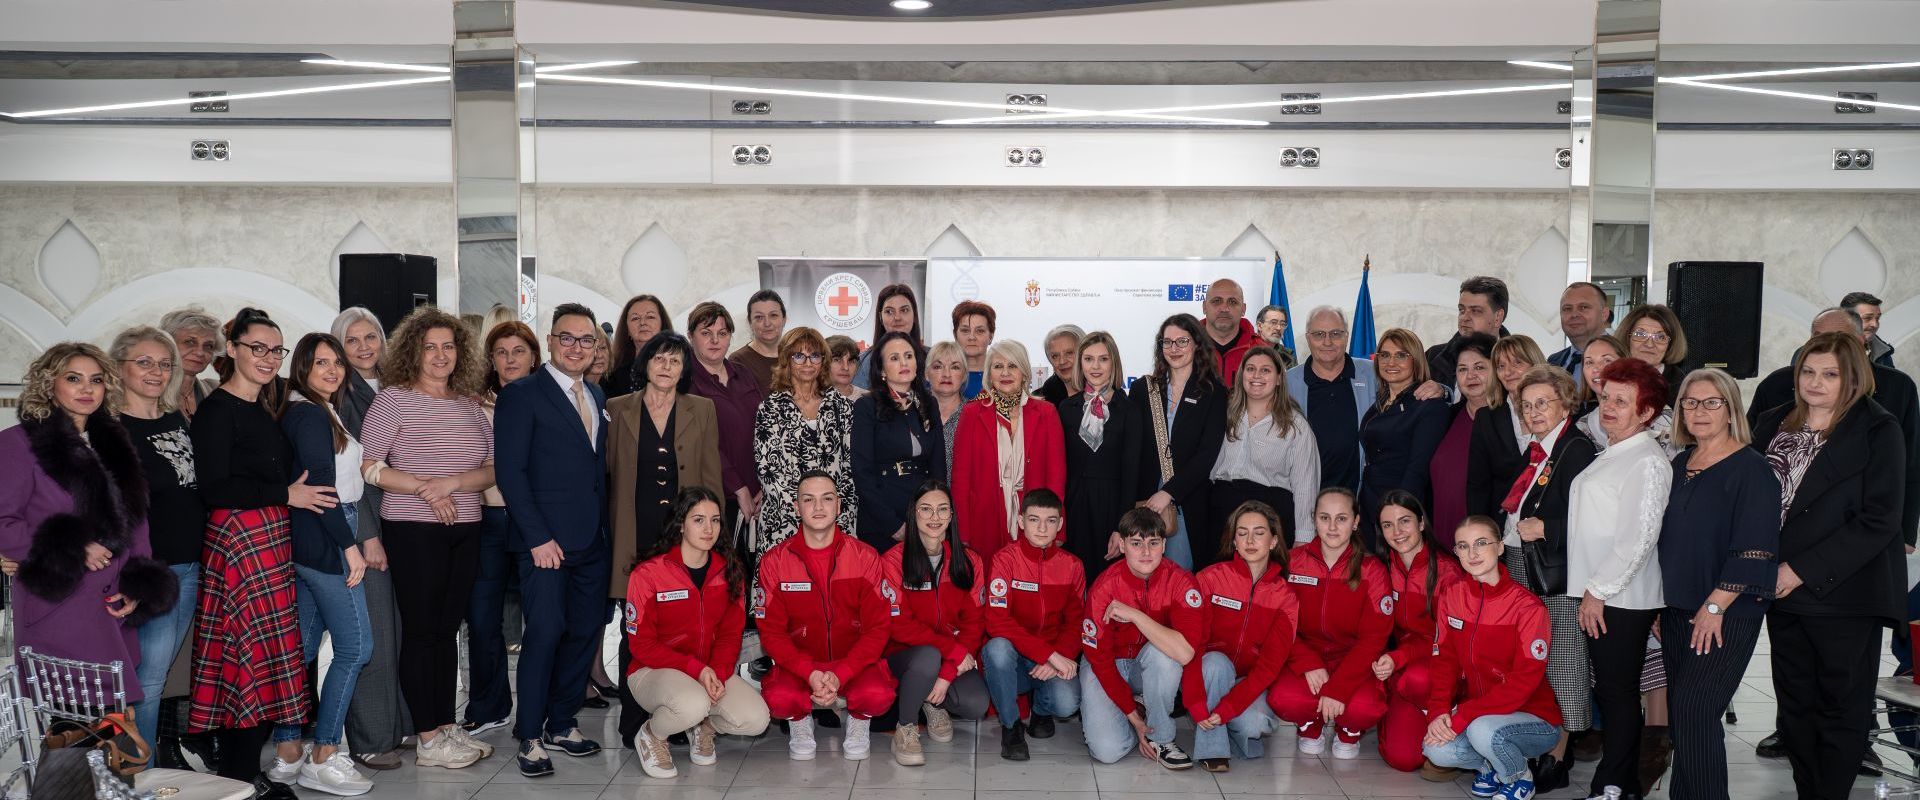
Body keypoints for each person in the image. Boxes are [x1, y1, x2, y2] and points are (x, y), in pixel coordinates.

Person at [1754, 331, 1906, 800]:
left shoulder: (1878, 429)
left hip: (1844, 593)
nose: (1815, 382)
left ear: (1853, 379)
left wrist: (1799, 570)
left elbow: (1880, 519)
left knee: (1840, 707)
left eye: (1830, 374)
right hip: (1779, 592)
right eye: (1808, 371)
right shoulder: (1774, 421)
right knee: (1796, 707)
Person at [1, 341, 179, 740]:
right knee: (75, 726)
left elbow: (136, 522)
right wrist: (73, 546)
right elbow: (3, 522)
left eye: (96, 380)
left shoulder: (112, 442)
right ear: (49, 385)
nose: (87, 388)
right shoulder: (18, 443)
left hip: (110, 609)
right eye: (73, 378)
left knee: (105, 730)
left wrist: (138, 586)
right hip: (59, 606)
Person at [358, 305, 498, 770]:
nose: (440, 355)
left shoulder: (471, 405)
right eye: (429, 347)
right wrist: (425, 488)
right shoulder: (393, 400)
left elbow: (491, 470)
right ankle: (427, 737)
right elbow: (370, 466)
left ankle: (445, 724)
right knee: (421, 633)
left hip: (466, 526)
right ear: (412, 352)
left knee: (446, 631)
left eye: (448, 346)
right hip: (412, 529)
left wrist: (450, 484)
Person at [186, 308, 320, 781]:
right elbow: (215, 488)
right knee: (243, 662)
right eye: (257, 348)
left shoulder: (264, 406)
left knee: (263, 664)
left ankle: (246, 777)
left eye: (276, 350)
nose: (268, 358)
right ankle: (239, 779)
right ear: (233, 349)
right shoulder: (217, 411)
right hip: (239, 544)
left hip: (269, 540)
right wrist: (285, 494)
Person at [492, 304, 612, 776]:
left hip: (591, 541)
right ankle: (530, 735)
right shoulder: (522, 395)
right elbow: (511, 473)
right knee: (544, 634)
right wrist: (537, 537)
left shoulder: (596, 394)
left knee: (584, 632)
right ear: (551, 340)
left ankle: (562, 723)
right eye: (567, 337)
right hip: (544, 545)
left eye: (586, 340)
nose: (576, 347)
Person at [1658, 368, 1780, 800]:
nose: (1700, 410)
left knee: (1694, 711)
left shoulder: (1752, 470)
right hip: (1676, 609)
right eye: (1690, 402)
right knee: (1686, 720)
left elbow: (1755, 548)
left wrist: (1714, 607)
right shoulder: (1679, 464)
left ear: (1731, 410)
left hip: (1726, 613)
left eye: (1712, 402)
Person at [263, 332, 375, 797]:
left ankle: (288, 750)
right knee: (356, 647)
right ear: (303, 368)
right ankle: (324, 753)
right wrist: (349, 546)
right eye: (321, 363)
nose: (332, 370)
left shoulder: (313, 408)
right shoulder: (309, 413)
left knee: (304, 647)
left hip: (310, 538)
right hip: (327, 536)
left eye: (337, 363)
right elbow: (324, 491)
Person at [606, 331, 721, 745]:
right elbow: (607, 472)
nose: (666, 367)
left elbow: (710, 475)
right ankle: (633, 718)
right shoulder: (617, 408)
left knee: (682, 624)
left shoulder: (702, 409)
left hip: (683, 537)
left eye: (675, 360)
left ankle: (679, 715)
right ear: (646, 364)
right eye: (659, 358)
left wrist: (713, 533)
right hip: (634, 532)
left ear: (684, 368)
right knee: (634, 627)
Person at [1567, 357, 1672, 800]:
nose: (1608, 407)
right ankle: (1622, 784)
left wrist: (1597, 592)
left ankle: (1611, 784)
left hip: (1621, 597)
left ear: (1646, 411)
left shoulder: (1646, 461)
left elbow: (1638, 538)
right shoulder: (1618, 451)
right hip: (1605, 593)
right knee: (1612, 691)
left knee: (1617, 693)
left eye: (1622, 401)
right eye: (1606, 397)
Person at [623, 487, 769, 779]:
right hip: (652, 671)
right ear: (681, 524)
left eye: (715, 520)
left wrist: (717, 672)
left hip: (708, 669)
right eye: (698, 520)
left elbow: (730, 636)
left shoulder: (730, 572)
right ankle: (652, 734)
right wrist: (697, 670)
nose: (709, 529)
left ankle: (703, 728)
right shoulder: (649, 574)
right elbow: (642, 646)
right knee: (693, 703)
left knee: (756, 719)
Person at [1746, 308, 1919, 553]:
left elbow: (1910, 464)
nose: (1828, 344)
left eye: (1831, 374)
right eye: (1818, 336)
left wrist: (1907, 531)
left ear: (1861, 340)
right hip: (1770, 541)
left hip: (1845, 540)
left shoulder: (1896, 392)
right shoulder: (1776, 387)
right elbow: (1745, 451)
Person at [1499, 366, 1596, 791]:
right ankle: (1539, 739)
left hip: (1555, 570)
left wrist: (1548, 528)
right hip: (1524, 564)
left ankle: (1559, 753)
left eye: (1543, 403)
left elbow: (1593, 518)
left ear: (1566, 404)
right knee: (1532, 656)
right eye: (1527, 405)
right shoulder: (1539, 449)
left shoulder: (1575, 449)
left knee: (1563, 658)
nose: (1534, 411)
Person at [755, 471, 896, 761]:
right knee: (779, 699)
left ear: (839, 506)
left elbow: (878, 629)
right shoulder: (774, 562)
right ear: (797, 507)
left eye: (827, 499)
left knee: (878, 695)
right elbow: (772, 634)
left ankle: (859, 720)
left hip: (853, 663)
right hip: (801, 665)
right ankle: (799, 722)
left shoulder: (865, 557)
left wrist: (842, 673)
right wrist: (809, 672)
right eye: (809, 500)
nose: (818, 507)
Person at [108, 328, 205, 752]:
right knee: (145, 680)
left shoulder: (173, 420)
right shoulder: (111, 430)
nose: (157, 371)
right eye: (144, 362)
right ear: (119, 368)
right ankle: (136, 776)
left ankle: (137, 770)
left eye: (165, 364)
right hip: (151, 571)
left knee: (158, 677)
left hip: (191, 564)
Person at [1420, 516, 1563, 800]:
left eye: (1481, 543)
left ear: (1499, 547)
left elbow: (1524, 682)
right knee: (1435, 749)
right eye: (1463, 546)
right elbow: (1444, 661)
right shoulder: (1452, 596)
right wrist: (1438, 712)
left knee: (1481, 730)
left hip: (1535, 720)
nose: (1472, 553)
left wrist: (1465, 714)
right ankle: (1490, 768)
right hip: (1479, 715)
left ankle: (1519, 778)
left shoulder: (1528, 607)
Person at [328, 307, 410, 770]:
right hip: (368, 526)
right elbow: (346, 476)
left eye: (371, 337)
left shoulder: (397, 385)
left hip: (406, 519)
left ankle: (402, 724)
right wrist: (367, 536)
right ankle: (371, 738)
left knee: (402, 628)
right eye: (352, 340)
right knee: (375, 631)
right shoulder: (340, 396)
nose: (363, 347)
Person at [1269, 488, 1392, 761]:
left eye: (1342, 518)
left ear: (1356, 521)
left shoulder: (1372, 570)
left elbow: (1374, 638)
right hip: (1306, 655)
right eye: (1325, 518)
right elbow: (1278, 623)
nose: (1333, 527)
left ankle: (1349, 731)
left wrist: (1339, 688)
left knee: (1365, 707)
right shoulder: (1292, 561)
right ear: (1314, 519)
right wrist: (1306, 661)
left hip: (1354, 659)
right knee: (1284, 698)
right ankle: (1309, 725)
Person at [1079, 507, 1205, 769]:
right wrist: (1134, 720)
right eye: (1136, 543)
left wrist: (1136, 615)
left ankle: (1160, 738)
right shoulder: (1104, 586)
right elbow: (1100, 661)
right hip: (1108, 665)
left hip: (1147, 663)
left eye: (1153, 543)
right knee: (1108, 751)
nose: (1146, 552)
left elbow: (1185, 653)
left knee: (1166, 657)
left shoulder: (1181, 581)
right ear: (1122, 546)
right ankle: (1135, 711)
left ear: (1164, 545)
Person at [879, 480, 991, 766]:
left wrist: (947, 674)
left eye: (942, 509)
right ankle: (905, 728)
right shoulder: (893, 561)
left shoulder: (969, 561)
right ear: (913, 514)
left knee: (976, 703)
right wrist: (952, 651)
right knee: (927, 656)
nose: (935, 517)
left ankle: (931, 701)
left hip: (949, 657)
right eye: (926, 509)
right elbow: (898, 625)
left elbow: (975, 624)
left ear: (951, 515)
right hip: (903, 655)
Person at [1191, 500, 1299, 773]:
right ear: (1234, 541)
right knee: (1215, 662)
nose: (1250, 540)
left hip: (1249, 680)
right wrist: (1194, 699)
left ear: (1273, 541)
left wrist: (1229, 707)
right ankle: (1214, 748)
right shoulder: (1209, 579)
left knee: (1255, 725)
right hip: (1208, 674)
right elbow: (1192, 644)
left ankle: (1222, 721)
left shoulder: (1285, 596)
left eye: (1259, 533)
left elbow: (1270, 666)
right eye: (1242, 533)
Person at [472, 321, 542, 732]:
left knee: (542, 621)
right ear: (491, 359)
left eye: (519, 351)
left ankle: (538, 709)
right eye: (502, 352)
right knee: (483, 619)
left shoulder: (548, 400)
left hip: (534, 521)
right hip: (487, 519)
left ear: (534, 357)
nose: (510, 359)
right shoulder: (473, 404)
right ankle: (489, 707)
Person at [982, 489, 1085, 760]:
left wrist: (1056, 657)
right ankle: (1011, 727)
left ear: (1060, 524)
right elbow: (996, 620)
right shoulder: (1004, 559)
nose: (1042, 528)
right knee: (996, 648)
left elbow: (1076, 624)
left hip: (1049, 660)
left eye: (1050, 521)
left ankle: (1040, 711)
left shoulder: (1072, 566)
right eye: (1034, 519)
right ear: (1020, 521)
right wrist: (1047, 654)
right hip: (1014, 660)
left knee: (1067, 703)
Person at [1371, 490, 1464, 774]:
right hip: (1400, 666)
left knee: (1417, 678)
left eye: (1405, 521)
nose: (1397, 532)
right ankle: (1399, 709)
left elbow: (1448, 642)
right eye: (1388, 525)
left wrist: (1400, 657)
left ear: (1421, 523)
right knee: (1404, 759)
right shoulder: (1380, 568)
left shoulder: (1448, 572)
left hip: (1438, 665)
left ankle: (1450, 718)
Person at [953, 340, 1067, 559]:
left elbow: (1056, 478)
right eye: (998, 366)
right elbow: (961, 479)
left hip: (1036, 519)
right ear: (989, 374)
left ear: (1024, 373)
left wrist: (1058, 526)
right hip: (983, 519)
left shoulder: (1047, 413)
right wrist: (962, 532)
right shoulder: (972, 413)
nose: (1005, 372)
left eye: (1012, 365)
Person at [1132, 313, 1228, 572]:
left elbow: (1207, 454)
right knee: (1143, 572)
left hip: (1186, 499)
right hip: (1145, 500)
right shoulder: (1144, 389)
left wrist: (1168, 492)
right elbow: (1133, 449)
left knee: (1177, 574)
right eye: (1167, 342)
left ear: (1197, 344)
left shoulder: (1213, 392)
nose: (1174, 349)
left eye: (1182, 341)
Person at [755, 327, 859, 555]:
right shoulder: (770, 408)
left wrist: (830, 510)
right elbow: (768, 470)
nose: (808, 363)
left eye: (814, 355)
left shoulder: (843, 407)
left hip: (837, 519)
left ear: (823, 360)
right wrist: (803, 510)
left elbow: (852, 466)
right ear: (787, 360)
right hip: (785, 521)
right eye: (799, 356)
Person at [1209, 345, 1319, 545]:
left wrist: (1304, 537)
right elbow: (1208, 466)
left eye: (1266, 370)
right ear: (1242, 375)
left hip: (1270, 518)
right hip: (1222, 514)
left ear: (1279, 379)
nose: (1256, 375)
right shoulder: (1223, 415)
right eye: (1250, 369)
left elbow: (1305, 486)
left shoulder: (1295, 425)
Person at [852, 331, 948, 551]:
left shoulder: (929, 404)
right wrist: (891, 524)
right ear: (882, 370)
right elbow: (862, 472)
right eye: (894, 358)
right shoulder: (866, 406)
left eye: (908, 356)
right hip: (881, 517)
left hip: (924, 515)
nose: (904, 362)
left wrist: (935, 514)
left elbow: (938, 467)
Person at [1058, 332, 1142, 582]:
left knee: (1107, 580)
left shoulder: (1129, 410)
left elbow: (1131, 472)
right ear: (1080, 363)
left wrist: (1121, 528)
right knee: (1073, 578)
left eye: (1103, 359)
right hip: (1074, 505)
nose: (1095, 367)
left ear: (1113, 363)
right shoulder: (1066, 408)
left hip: (1111, 505)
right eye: (1088, 359)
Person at [1359, 328, 1451, 549]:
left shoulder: (1429, 405)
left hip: (1401, 509)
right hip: (1370, 504)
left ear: (1415, 360)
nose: (1391, 362)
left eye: (1401, 355)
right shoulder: (1380, 402)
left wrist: (1400, 515)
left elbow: (1418, 468)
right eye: (1384, 355)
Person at [686, 302, 764, 535]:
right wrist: (739, 488)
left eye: (722, 333)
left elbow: (766, 430)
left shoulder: (743, 373)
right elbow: (702, 444)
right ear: (690, 336)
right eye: (706, 333)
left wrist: (766, 484)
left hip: (760, 494)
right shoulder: (685, 383)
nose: (715, 340)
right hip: (717, 497)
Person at [1286, 306, 1377, 493]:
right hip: (1306, 496)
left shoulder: (1373, 374)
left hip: (1361, 497)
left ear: (1347, 336)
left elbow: (1410, 390)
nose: (1327, 342)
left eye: (1336, 333)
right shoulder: (1287, 383)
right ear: (1308, 338)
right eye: (1319, 334)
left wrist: (1438, 389)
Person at [1464, 335, 1545, 539]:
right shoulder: (1486, 418)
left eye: (1517, 363)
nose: (1508, 372)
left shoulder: (1556, 411)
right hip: (1504, 530)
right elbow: (1478, 485)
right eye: (1501, 366)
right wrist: (1481, 535)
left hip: (1548, 530)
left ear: (1535, 364)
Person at [1427, 333, 1497, 542]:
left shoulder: (1508, 421)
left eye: (1479, 367)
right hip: (1441, 538)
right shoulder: (1446, 417)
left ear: (1496, 370)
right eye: (1462, 369)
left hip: (1484, 544)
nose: (1470, 376)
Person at [1427, 277, 1512, 390]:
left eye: (1475, 311)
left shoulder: (1523, 362)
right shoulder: (1432, 357)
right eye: (1461, 310)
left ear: (1498, 317)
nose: (1464, 318)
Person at [854, 283, 922, 391]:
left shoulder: (933, 358)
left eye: (904, 310)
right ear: (880, 318)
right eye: (889, 311)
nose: (897, 317)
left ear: (915, 315)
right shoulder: (863, 363)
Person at [605, 294, 673, 398]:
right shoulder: (612, 373)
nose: (643, 322)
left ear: (662, 324)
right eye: (635, 318)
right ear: (627, 329)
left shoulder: (680, 366)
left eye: (650, 317)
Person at [159, 305, 222, 417]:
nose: (200, 352)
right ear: (167, 344)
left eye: (208, 346)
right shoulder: (147, 392)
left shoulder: (217, 390)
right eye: (190, 342)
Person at [1547, 282, 1614, 386]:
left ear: (1604, 314)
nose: (1574, 314)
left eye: (1583, 307)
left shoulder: (1623, 357)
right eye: (1567, 309)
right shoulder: (1553, 362)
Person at [1616, 303, 1689, 397]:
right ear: (1627, 338)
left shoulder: (1683, 389)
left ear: (1670, 344)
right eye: (1640, 334)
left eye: (1660, 337)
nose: (1649, 344)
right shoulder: (1611, 376)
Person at [1202, 279, 1260, 384]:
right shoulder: (1185, 348)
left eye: (1232, 302)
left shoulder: (1261, 349)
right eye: (1216, 301)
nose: (1224, 309)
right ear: (1204, 307)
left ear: (1243, 309)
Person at [925, 340, 968, 474]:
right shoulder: (911, 411)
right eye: (938, 367)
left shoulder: (976, 415)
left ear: (964, 375)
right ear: (926, 374)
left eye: (955, 367)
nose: (946, 374)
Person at [731, 289, 787, 390]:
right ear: (750, 322)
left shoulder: (798, 356)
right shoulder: (738, 362)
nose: (767, 323)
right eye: (759, 317)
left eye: (773, 315)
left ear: (784, 319)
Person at [952, 300, 995, 400]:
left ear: (991, 336)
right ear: (955, 335)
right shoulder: (940, 377)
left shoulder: (1003, 377)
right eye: (965, 330)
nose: (971, 337)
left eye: (979, 331)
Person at [1842, 290, 1895, 367]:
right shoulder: (1828, 353)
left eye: (1877, 318)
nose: (1875, 324)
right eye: (1867, 318)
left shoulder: (1883, 354)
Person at [1035, 324, 1084, 405]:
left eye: (1069, 353)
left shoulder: (1104, 393)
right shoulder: (1040, 400)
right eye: (1055, 356)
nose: (1062, 361)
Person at [1254, 304, 1298, 369]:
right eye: (1273, 322)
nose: (1278, 328)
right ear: (1260, 326)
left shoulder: (1288, 356)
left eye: (1282, 324)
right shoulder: (1247, 350)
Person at [825, 334, 865, 400]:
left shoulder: (868, 398)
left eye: (851, 361)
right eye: (837, 360)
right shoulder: (811, 398)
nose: (846, 367)